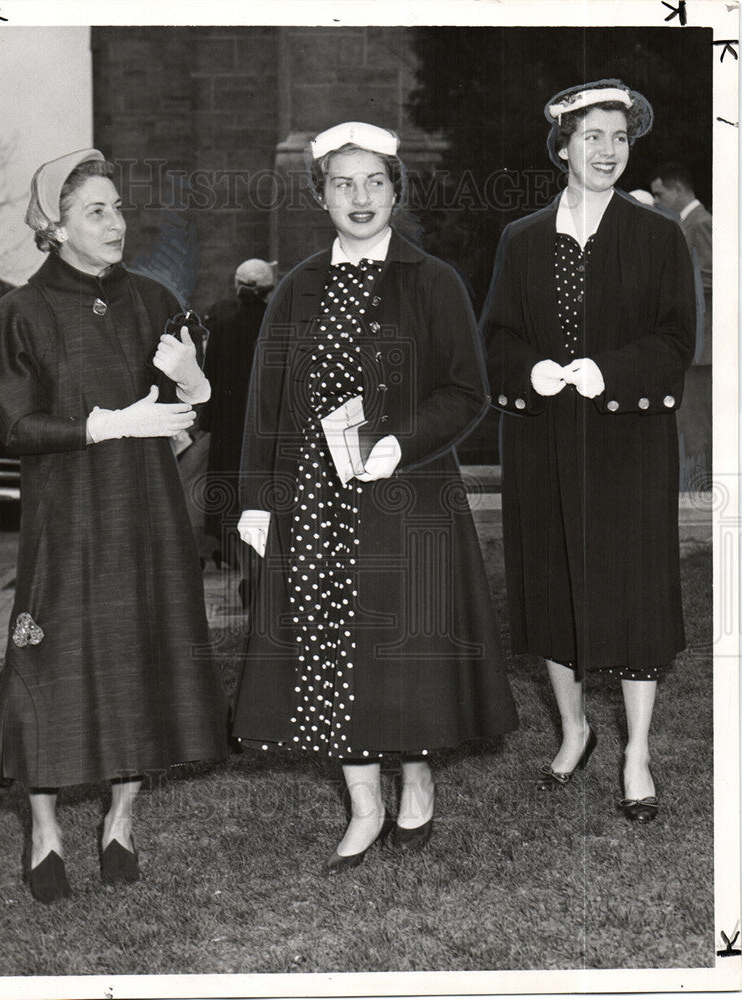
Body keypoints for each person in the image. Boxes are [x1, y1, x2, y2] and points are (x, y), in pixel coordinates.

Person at [232, 121, 518, 872]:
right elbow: (266, 403)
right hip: (317, 502)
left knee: (404, 651)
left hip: (406, 496)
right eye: (342, 184)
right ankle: (363, 806)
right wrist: (257, 500)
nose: (359, 199)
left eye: (374, 183)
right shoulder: (296, 288)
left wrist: (400, 443)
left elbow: (467, 391)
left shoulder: (433, 281)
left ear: (396, 190)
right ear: (320, 196)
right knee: (329, 650)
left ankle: (416, 786)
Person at [0, 149, 228, 902]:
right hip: (68, 515)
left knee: (140, 659)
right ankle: (45, 828)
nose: (117, 223)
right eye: (96, 211)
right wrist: (111, 423)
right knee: (50, 665)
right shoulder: (20, 312)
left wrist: (196, 383)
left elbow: (188, 413)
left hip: (147, 512)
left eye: (119, 208)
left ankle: (121, 821)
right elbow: (18, 427)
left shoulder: (154, 299)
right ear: (54, 226)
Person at [482, 81, 696, 823]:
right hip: (541, 439)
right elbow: (496, 339)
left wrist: (607, 371)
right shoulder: (522, 238)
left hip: (627, 440)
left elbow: (675, 341)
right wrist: (531, 372)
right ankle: (575, 730)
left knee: (633, 589)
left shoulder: (658, 235)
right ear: (563, 146)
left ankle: (636, 751)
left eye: (620, 139)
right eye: (594, 137)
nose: (608, 151)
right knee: (551, 582)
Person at [199, 258, 276, 585]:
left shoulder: (222, 328)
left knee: (234, 512)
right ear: (269, 291)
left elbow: (209, 389)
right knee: (268, 507)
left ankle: (247, 575)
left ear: (237, 285)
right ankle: (262, 578)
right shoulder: (277, 329)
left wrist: (209, 427)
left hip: (230, 438)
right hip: (269, 437)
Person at [651, 162, 712, 486]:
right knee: (690, 424)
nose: (657, 201)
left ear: (677, 189)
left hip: (704, 345)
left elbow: (717, 276)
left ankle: (699, 494)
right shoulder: (688, 222)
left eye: (660, 194)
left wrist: (672, 281)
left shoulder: (699, 223)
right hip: (696, 344)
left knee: (696, 424)